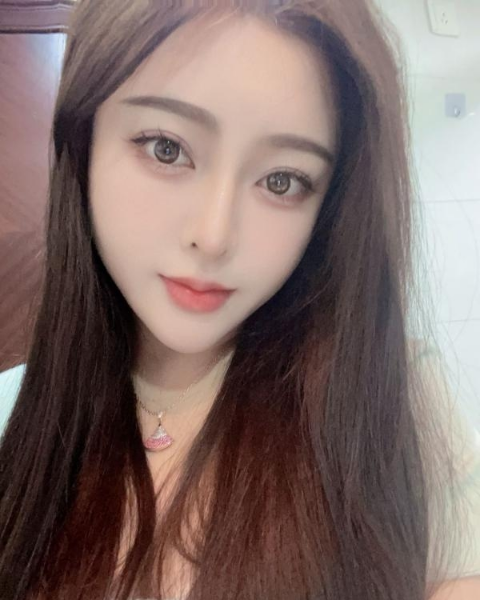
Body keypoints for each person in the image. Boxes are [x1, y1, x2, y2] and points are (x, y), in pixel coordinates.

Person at [0, 1, 478, 599]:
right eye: (167, 148)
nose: (214, 235)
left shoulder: (388, 395)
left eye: (282, 180)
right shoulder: (12, 416)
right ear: (84, 139)